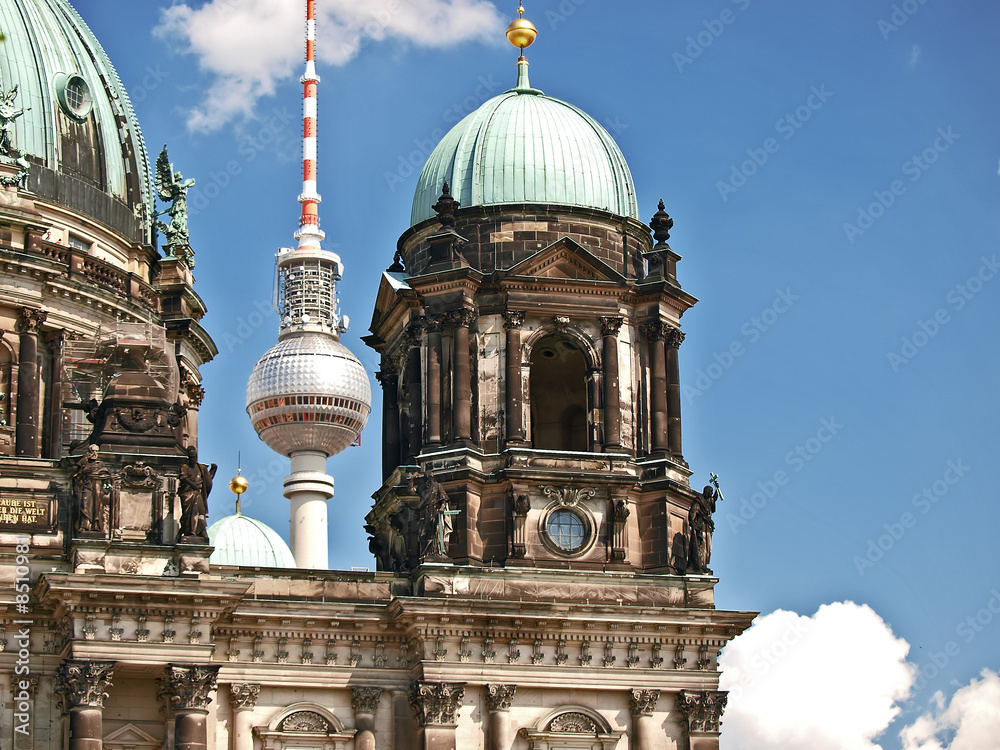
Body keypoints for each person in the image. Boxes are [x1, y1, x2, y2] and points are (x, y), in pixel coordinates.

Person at [178, 445, 216, 539]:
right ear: (188, 457)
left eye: (194, 457)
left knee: (201, 512)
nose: (193, 459)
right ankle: (190, 531)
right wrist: (192, 484)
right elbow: (183, 477)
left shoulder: (201, 468)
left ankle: (201, 530)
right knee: (190, 513)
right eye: (191, 457)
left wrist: (213, 470)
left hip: (198, 493)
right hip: (188, 494)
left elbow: (207, 480)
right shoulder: (185, 467)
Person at [73, 444, 111, 534]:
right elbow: (77, 476)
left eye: (96, 451)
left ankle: (96, 525)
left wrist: (107, 486)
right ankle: (85, 525)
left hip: (97, 486)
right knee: (85, 504)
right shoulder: (84, 462)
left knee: (97, 506)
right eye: (92, 451)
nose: (94, 453)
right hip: (87, 485)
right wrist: (84, 471)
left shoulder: (101, 464)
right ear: (89, 452)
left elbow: (107, 476)